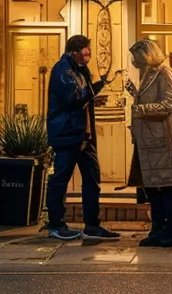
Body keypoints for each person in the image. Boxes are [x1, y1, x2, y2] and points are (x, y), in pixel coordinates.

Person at [43, 35, 122, 241]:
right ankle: (56, 224)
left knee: (92, 179)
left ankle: (92, 225)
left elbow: (81, 96)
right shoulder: (63, 70)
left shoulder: (77, 70)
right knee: (60, 180)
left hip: (81, 135)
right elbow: (75, 98)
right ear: (73, 52)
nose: (88, 57)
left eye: (90, 54)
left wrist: (99, 85)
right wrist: (95, 90)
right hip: (68, 135)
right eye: (85, 53)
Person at [123, 39, 172, 247]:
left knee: (163, 187)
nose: (133, 61)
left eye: (136, 57)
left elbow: (171, 103)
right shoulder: (149, 74)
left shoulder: (164, 73)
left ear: (146, 55)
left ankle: (170, 232)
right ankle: (157, 230)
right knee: (151, 188)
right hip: (147, 141)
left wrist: (141, 109)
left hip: (159, 141)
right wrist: (135, 94)